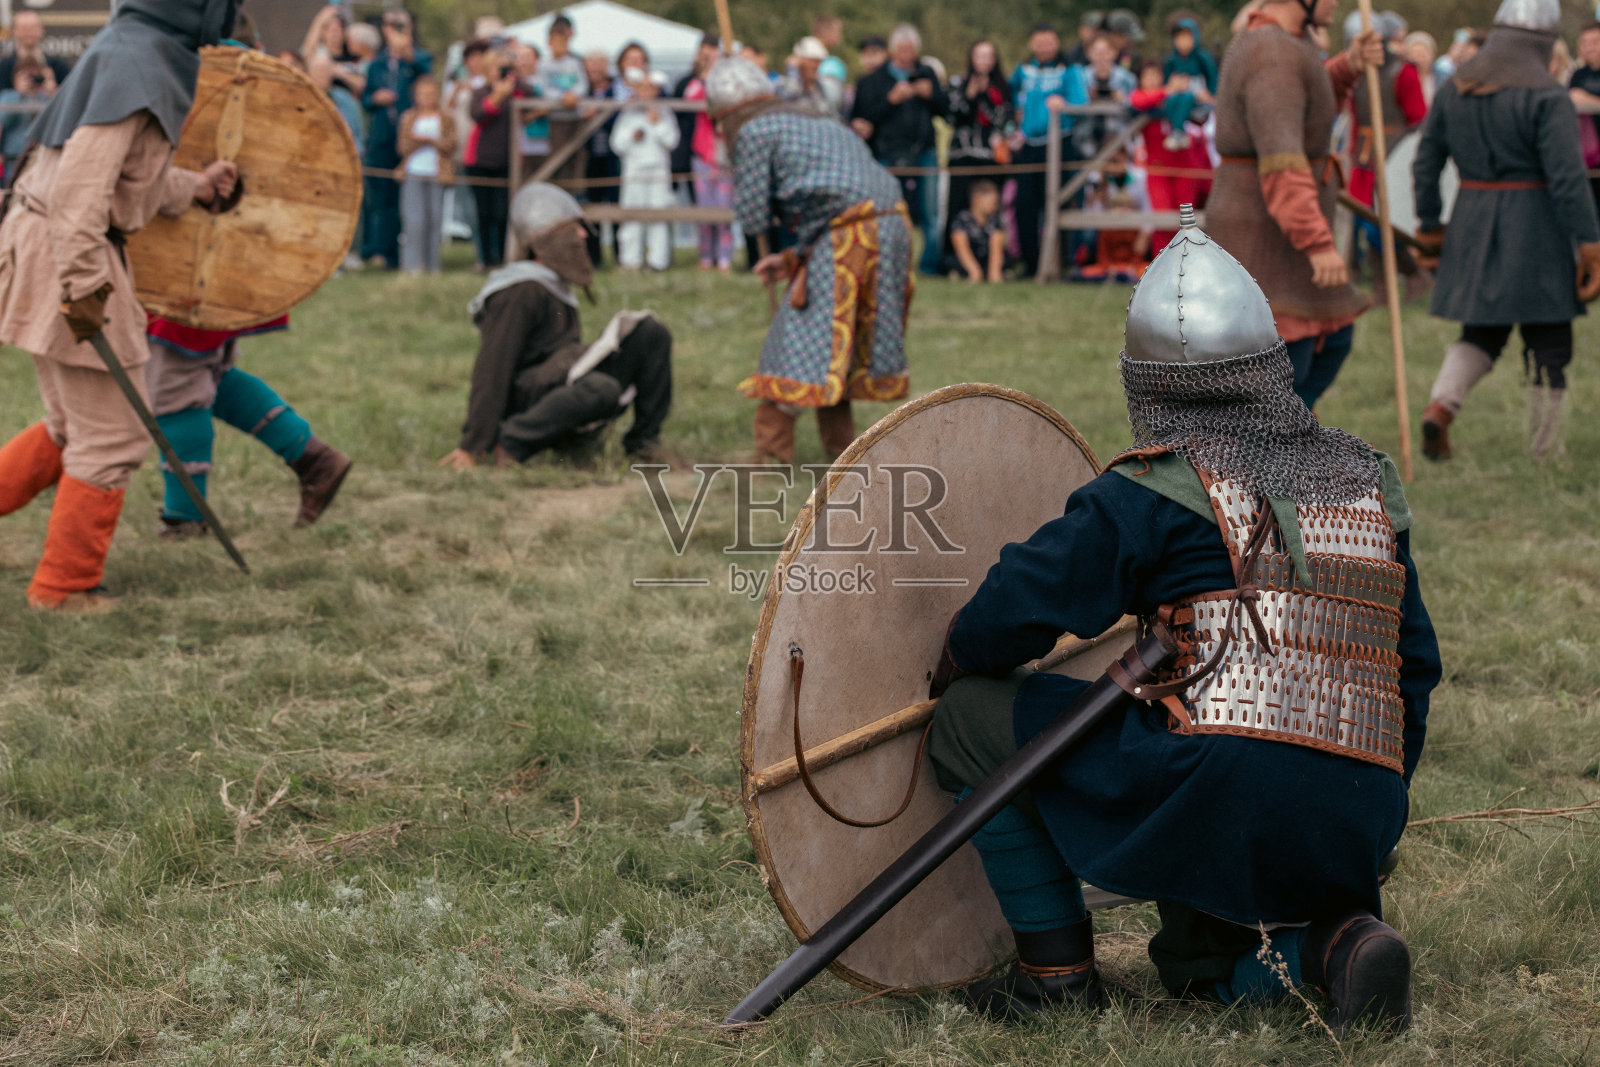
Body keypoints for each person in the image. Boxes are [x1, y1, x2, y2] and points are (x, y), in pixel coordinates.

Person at [927, 212, 1439, 1032]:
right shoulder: (1367, 479)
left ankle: (1053, 977)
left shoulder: (1154, 489)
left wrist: (955, 653)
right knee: (1196, 973)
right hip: (1362, 800)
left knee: (968, 721)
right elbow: (1413, 667)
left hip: (1222, 785)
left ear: (1150, 386)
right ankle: (1335, 949)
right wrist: (1373, 803)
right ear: (1272, 363)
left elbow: (1018, 607)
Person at [0, 0, 240, 614]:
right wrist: (83, 287)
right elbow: (81, 188)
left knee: (69, 426)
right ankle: (64, 587)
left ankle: (63, 579)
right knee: (110, 435)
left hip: (44, 239)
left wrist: (196, 185)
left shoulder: (131, 50)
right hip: (67, 249)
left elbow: (125, 176)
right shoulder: (136, 61)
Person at [1414, 0, 1600, 462]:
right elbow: (1568, 177)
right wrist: (1591, 242)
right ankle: (1544, 448)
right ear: (1542, 43)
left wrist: (1431, 224)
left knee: (1481, 332)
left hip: (1473, 218)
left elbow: (1426, 162)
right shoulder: (1547, 94)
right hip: (1538, 225)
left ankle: (1440, 407)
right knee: (1550, 339)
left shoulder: (1456, 86)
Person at [710, 57, 911, 464]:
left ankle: (770, 456)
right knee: (839, 348)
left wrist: (764, 237)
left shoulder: (754, 130)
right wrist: (791, 259)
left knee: (796, 344)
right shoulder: (821, 119)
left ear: (728, 114)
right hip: (892, 225)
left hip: (850, 234)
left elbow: (751, 212)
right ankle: (842, 453)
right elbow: (831, 198)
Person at [1206, 0, 1386, 411]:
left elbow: (1305, 106)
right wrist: (1317, 240)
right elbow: (1282, 159)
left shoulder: (1289, 44)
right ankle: (1261, 455)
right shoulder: (1272, 53)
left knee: (1328, 343)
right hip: (1263, 231)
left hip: (1280, 231)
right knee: (1283, 366)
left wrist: (1347, 66)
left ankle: (1284, 443)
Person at [441, 183, 673, 469]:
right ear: (550, 238)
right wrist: (473, 444)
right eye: (573, 227)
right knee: (600, 388)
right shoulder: (520, 291)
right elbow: (493, 367)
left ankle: (643, 444)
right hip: (532, 397)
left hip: (559, 380)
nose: (583, 234)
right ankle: (512, 443)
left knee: (649, 333)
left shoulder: (552, 282)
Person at [850, 24, 946, 276]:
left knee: (930, 212)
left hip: (924, 151)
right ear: (893, 51)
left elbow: (946, 111)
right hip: (886, 154)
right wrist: (890, 100)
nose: (906, 55)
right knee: (886, 212)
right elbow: (862, 119)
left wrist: (931, 94)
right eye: (901, 50)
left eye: (910, 50)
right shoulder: (873, 80)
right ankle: (885, 264)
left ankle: (929, 265)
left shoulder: (926, 73)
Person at [1345, 11, 1426, 289]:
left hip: (1394, 154)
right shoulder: (1354, 77)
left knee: (1385, 223)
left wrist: (1407, 159)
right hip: (1365, 158)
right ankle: (1380, 283)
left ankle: (1414, 274)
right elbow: (1356, 120)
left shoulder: (1404, 72)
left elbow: (1418, 120)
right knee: (1365, 221)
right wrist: (1353, 151)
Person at [1011, 23, 1085, 279]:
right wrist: (1012, 125)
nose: (1044, 46)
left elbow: (1081, 101)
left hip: (1060, 144)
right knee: (1024, 205)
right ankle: (1031, 264)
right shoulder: (1022, 70)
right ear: (1032, 43)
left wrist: (1064, 103)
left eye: (1049, 41)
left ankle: (1061, 263)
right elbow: (1009, 97)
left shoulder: (1070, 70)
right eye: (1039, 41)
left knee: (1059, 204)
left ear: (1056, 42)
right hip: (1029, 146)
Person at [361, 10, 432, 269]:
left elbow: (427, 77)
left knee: (409, 198)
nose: (396, 30)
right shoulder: (377, 65)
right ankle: (383, 251)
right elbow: (366, 99)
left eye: (401, 25)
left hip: (410, 140)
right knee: (383, 197)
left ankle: (409, 253)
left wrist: (408, 52)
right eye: (392, 25)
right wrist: (374, 98)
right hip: (382, 138)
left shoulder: (417, 59)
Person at [1132, 60, 1213, 258]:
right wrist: (1167, 90)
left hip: (1184, 167)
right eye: (1147, 76)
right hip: (1158, 170)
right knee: (1162, 218)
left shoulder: (1178, 96)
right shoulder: (1147, 96)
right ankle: (1162, 264)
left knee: (1186, 220)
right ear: (1140, 80)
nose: (1152, 80)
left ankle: (1188, 263)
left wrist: (1201, 97)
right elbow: (1138, 101)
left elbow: (1202, 113)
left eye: (1155, 75)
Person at [943, 40, 1011, 262]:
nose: (983, 61)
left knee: (990, 208)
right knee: (958, 206)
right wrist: (970, 96)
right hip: (962, 156)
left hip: (990, 158)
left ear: (994, 60)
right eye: (979, 55)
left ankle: (992, 260)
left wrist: (987, 98)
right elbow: (951, 117)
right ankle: (952, 258)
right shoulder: (957, 83)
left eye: (988, 56)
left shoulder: (1001, 88)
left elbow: (1005, 122)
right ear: (971, 58)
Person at [611, 68, 679, 272]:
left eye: (651, 88)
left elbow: (672, 140)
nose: (646, 92)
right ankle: (630, 260)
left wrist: (657, 125)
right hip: (633, 170)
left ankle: (658, 261)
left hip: (658, 170)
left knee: (658, 214)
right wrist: (633, 136)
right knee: (631, 214)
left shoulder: (664, 112)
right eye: (643, 88)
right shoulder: (628, 112)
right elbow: (616, 144)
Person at [465, 48, 519, 270]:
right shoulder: (480, 91)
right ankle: (486, 259)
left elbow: (535, 96)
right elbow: (479, 115)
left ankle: (504, 258)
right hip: (480, 160)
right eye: (498, 66)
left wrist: (514, 81)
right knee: (484, 213)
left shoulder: (517, 91)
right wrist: (498, 94)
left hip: (508, 161)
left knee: (503, 212)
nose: (502, 70)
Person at [397, 73, 456, 275]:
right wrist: (418, 140)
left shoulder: (446, 118)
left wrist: (431, 141)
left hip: (437, 173)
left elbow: (451, 144)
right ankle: (412, 265)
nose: (427, 97)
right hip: (414, 172)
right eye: (422, 94)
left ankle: (432, 265)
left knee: (434, 220)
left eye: (430, 93)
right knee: (414, 221)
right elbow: (402, 146)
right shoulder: (408, 118)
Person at [680, 52, 734, 272]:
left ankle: (724, 257)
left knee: (724, 209)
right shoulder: (698, 85)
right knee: (704, 210)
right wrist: (704, 77)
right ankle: (706, 256)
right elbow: (690, 97)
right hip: (703, 154)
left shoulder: (731, 86)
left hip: (725, 155)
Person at [535, 14, 590, 187]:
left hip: (574, 117)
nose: (560, 47)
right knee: (556, 156)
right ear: (549, 43)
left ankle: (574, 190)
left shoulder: (574, 63)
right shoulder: (544, 65)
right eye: (556, 42)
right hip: (556, 120)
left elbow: (582, 84)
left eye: (563, 43)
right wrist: (562, 98)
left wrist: (574, 95)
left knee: (575, 155)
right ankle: (556, 188)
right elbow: (543, 89)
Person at [1160, 17, 1217, 151]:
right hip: (1178, 94)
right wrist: (1172, 86)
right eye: (1179, 37)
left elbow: (1212, 78)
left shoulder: (1202, 57)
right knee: (1173, 101)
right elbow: (1166, 83)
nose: (1183, 42)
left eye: (1187, 37)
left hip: (1199, 98)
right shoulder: (1170, 60)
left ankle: (1178, 133)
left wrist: (1210, 94)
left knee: (1187, 98)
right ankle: (1177, 133)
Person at [1, 58, 56, 182]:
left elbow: (59, 118)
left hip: (42, 157)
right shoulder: (9, 97)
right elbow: (3, 119)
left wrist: (52, 91)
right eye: (27, 76)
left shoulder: (46, 97)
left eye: (35, 76)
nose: (32, 81)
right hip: (15, 158)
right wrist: (19, 94)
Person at [946, 179, 1006, 282]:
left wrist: (995, 273)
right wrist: (974, 271)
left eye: (995, 203)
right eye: (991, 202)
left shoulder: (994, 220)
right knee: (950, 262)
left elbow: (996, 247)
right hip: (966, 260)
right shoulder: (962, 219)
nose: (994, 206)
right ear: (976, 199)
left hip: (986, 259)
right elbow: (961, 248)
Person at [1569, 22, 1600, 211]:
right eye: (1585, 42)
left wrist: (1589, 101)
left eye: (1595, 41)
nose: (1590, 47)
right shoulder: (1577, 75)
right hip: (1586, 162)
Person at [0, 10, 71, 92]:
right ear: (14, 31)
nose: (29, 33)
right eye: (24, 29)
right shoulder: (4, 68)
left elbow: (71, 95)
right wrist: (15, 93)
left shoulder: (59, 66)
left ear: (41, 30)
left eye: (33, 28)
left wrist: (54, 91)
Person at [780, 37, 842, 118]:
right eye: (811, 61)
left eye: (818, 61)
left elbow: (833, 116)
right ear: (799, 62)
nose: (815, 66)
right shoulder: (783, 86)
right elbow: (788, 96)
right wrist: (792, 73)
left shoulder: (823, 89)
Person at [1405, 31, 1439, 105]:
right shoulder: (1406, 79)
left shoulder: (1442, 76)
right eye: (1416, 54)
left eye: (1424, 53)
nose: (1420, 58)